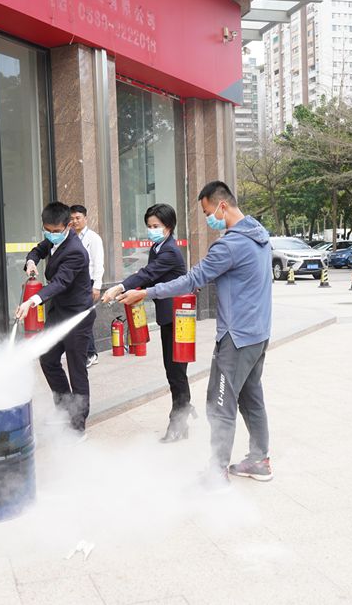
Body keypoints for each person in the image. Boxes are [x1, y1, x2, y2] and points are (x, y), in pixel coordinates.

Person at [116, 181, 273, 488]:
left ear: (222, 206)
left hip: (237, 337)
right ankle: (260, 460)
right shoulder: (259, 235)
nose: (207, 219)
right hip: (259, 332)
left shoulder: (229, 246)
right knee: (251, 397)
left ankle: (216, 474)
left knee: (219, 403)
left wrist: (145, 293)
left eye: (207, 212)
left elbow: (191, 280)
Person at [102, 203, 194, 443]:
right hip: (168, 316)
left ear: (169, 226)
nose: (151, 230)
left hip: (178, 318)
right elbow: (148, 275)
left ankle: (179, 422)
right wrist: (127, 292)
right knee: (172, 370)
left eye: (156, 226)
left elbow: (148, 273)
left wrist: (120, 287)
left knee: (176, 372)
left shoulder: (170, 251)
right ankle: (182, 416)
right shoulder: (158, 247)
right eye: (149, 226)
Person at [15, 202, 94, 432]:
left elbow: (60, 283)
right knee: (48, 359)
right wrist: (31, 262)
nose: (51, 234)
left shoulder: (76, 251)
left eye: (56, 231)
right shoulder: (53, 238)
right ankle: (65, 409)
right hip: (58, 312)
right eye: (47, 230)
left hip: (77, 316)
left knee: (77, 369)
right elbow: (38, 250)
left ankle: (78, 425)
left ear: (68, 226)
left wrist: (32, 301)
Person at [70, 204, 104, 369]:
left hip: (88, 284)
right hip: (72, 285)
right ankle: (82, 352)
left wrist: (97, 286)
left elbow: (99, 263)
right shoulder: (69, 237)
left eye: (78, 218)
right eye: (72, 218)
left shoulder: (93, 238)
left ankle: (91, 354)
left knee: (85, 319)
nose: (75, 221)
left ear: (85, 218)